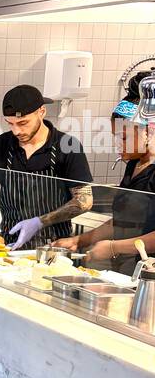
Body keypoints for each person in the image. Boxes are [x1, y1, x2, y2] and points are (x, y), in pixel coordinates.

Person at [0, 85, 93, 249]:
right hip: (8, 245)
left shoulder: (68, 146)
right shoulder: (2, 144)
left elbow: (85, 201)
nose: (16, 131)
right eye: (11, 123)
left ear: (42, 112)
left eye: (23, 123)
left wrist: (39, 222)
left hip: (52, 247)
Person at [55, 92, 155, 273]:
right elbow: (122, 221)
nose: (117, 144)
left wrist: (112, 248)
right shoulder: (134, 164)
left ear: (149, 132)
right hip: (126, 270)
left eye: (123, 137)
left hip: (149, 273)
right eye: (114, 136)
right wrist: (78, 241)